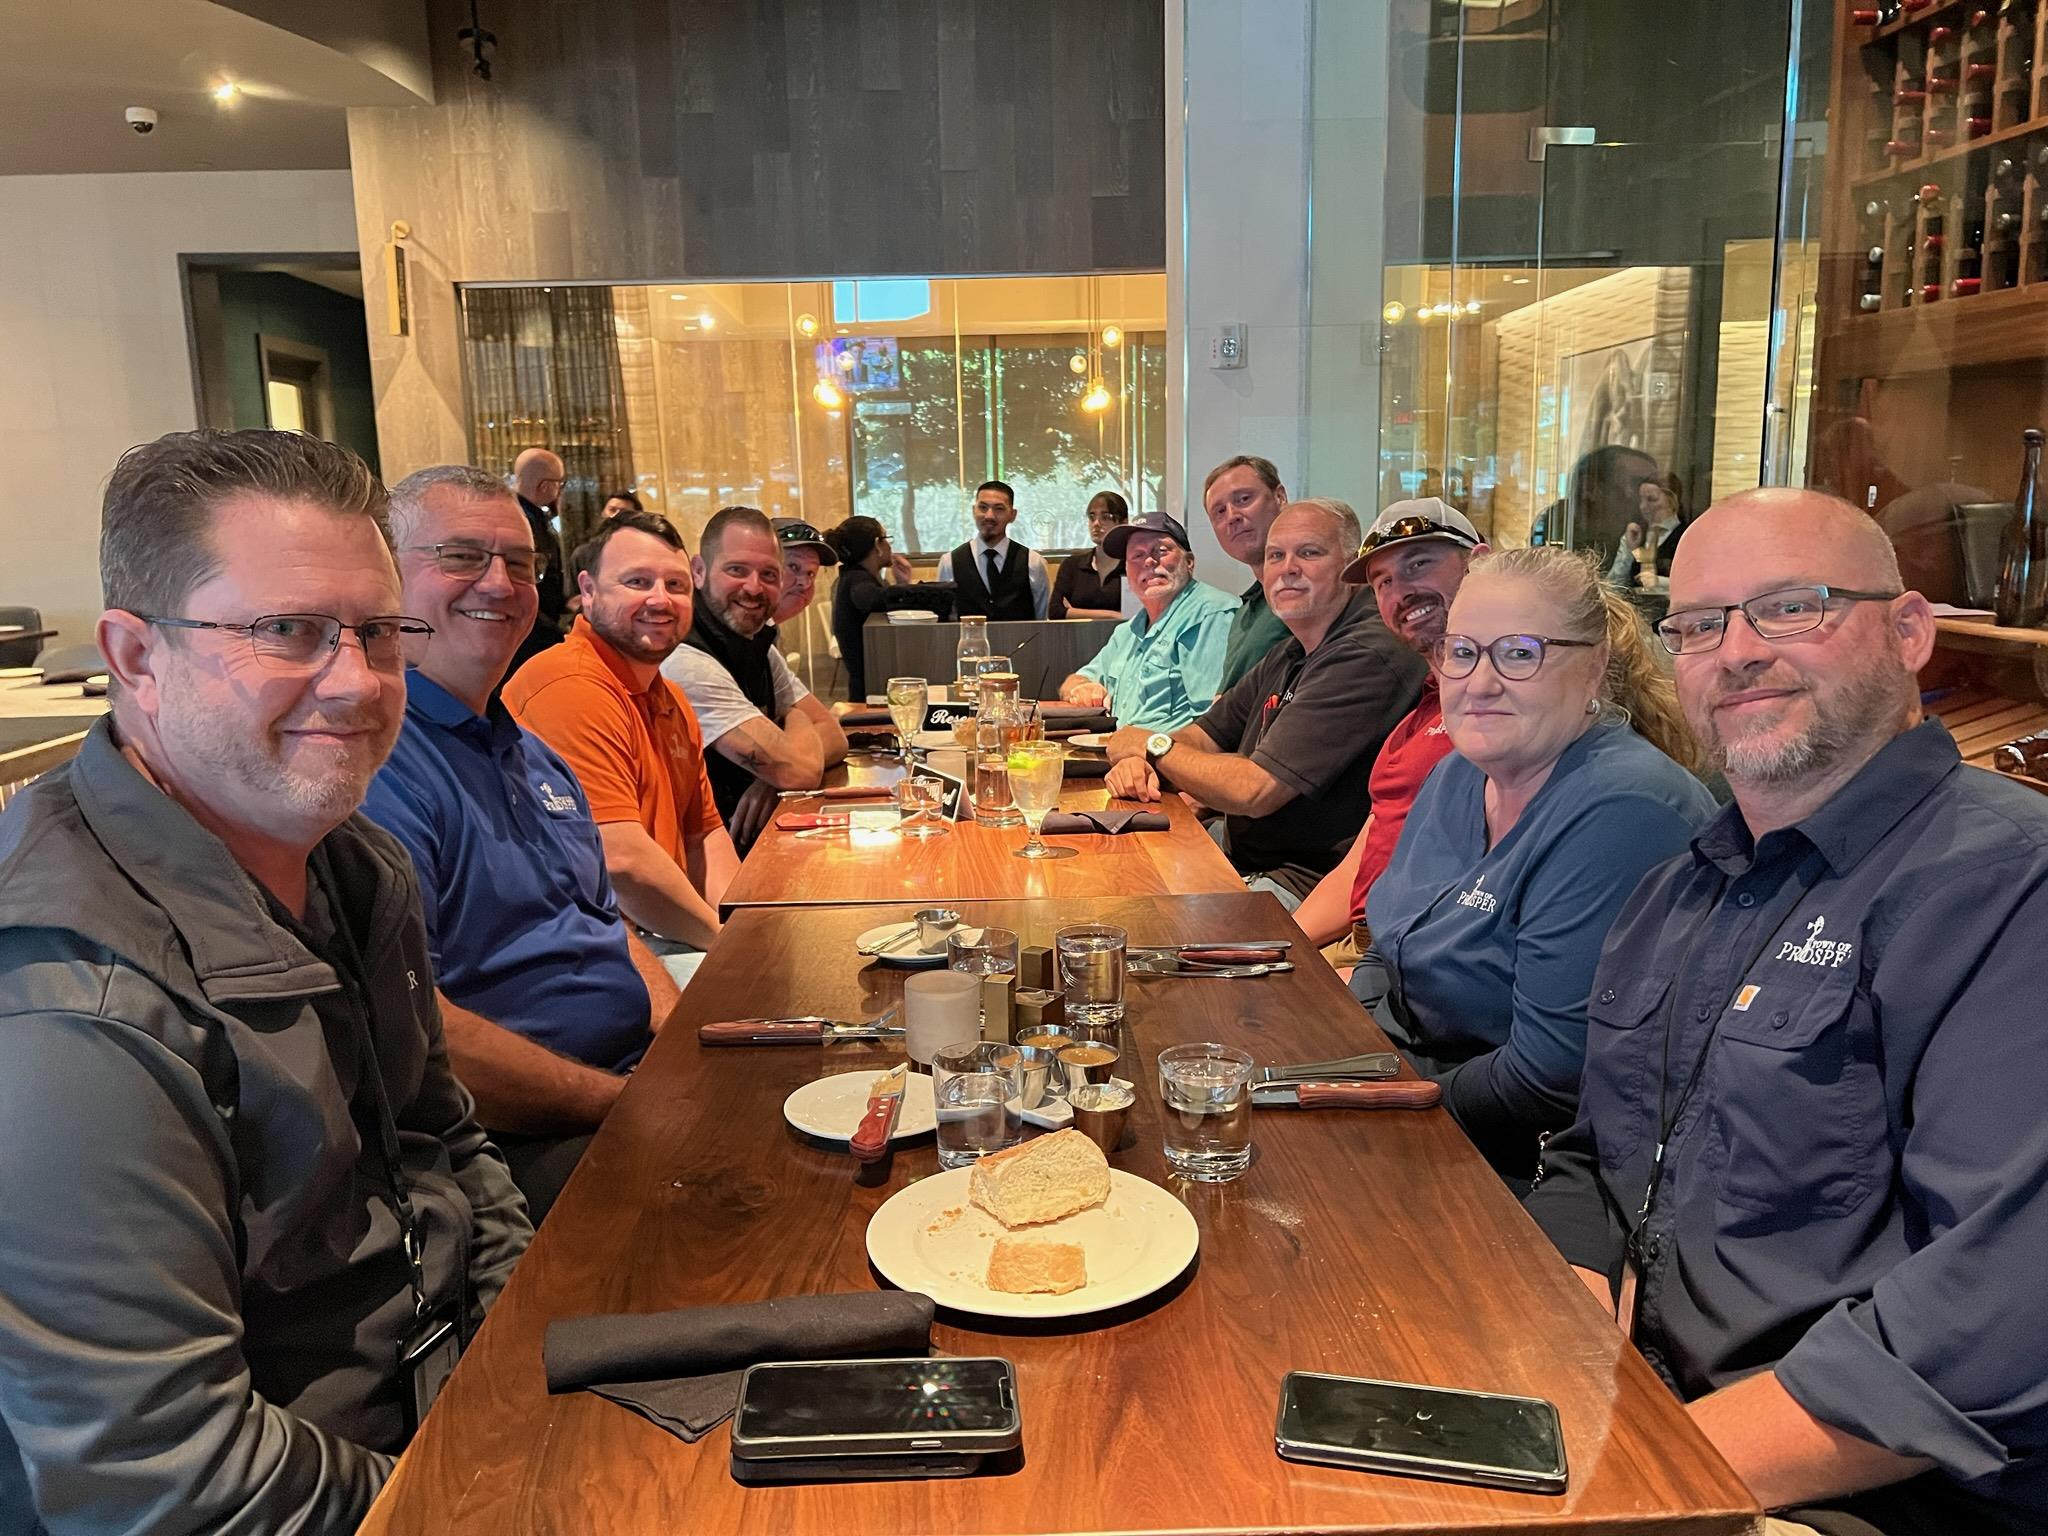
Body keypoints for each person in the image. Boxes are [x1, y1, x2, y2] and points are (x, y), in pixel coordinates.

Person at [0, 428, 530, 1533]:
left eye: (378, 633)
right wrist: (475, 1503)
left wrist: (528, 1353)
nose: (355, 683)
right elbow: (163, 1479)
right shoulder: (71, 1010)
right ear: (135, 655)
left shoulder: (351, 864)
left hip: (456, 1412)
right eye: (286, 632)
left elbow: (444, 1147)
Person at [1529, 488, 2048, 1533]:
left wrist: (1629, 1475)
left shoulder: (2007, 885)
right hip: (1647, 1419)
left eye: (1790, 608)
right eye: (1698, 625)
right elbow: (1598, 1155)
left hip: (1869, 1491)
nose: (1737, 652)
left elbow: (1989, 1329)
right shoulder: (1680, 885)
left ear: (1906, 633)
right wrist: (1570, 1336)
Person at [364, 465, 680, 1221]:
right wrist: (628, 1103)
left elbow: (607, 922)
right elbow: (426, 1034)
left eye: (519, 564)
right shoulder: (377, 763)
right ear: (383, 579)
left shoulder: (532, 754)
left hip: (626, 1084)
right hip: (515, 1143)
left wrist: (676, 1036)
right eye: (463, 557)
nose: (500, 585)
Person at [1350, 547, 1714, 1183]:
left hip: (1515, 1159)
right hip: (1404, 1086)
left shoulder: (1624, 809)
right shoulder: (1458, 774)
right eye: (1462, 651)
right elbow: (1389, 943)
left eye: (1519, 653)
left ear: (1594, 667)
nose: (1480, 682)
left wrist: (1387, 1106)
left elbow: (1545, 1078)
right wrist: (1352, 1048)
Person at [1104, 500, 1427, 903]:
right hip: (1241, 854)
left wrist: (1150, 746)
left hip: (1303, 882)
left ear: (1351, 568)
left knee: (1132, 924)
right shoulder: (1294, 648)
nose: (1287, 568)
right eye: (1276, 555)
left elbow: (1253, 792)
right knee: (1108, 886)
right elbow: (1206, 734)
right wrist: (1148, 755)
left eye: (1309, 553)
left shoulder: (1367, 651)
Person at [502, 512, 736, 980]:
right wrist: (727, 942)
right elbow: (623, 863)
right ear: (588, 591)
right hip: (588, 957)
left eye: (675, 584)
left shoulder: (669, 699)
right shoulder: (570, 684)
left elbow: (703, 836)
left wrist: (746, 926)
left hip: (658, 938)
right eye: (637, 581)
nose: (660, 599)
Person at [1290, 498, 1484, 952]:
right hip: (1358, 945)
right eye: (1383, 582)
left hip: (1410, 959)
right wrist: (1277, 948)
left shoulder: (1500, 711)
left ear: (1481, 564)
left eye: (1419, 563)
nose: (1401, 592)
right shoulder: (1418, 716)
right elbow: (1362, 861)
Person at [662, 505, 849, 849]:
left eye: (768, 574)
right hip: (701, 858)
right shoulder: (686, 659)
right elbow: (800, 771)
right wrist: (792, 725)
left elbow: (835, 737)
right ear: (698, 572)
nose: (753, 587)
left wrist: (770, 779)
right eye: (737, 570)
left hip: (754, 841)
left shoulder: (758, 644)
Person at [1055, 510, 1238, 732]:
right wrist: (1081, 688)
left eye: (1161, 551)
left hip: (1163, 760)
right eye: (1137, 556)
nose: (1149, 562)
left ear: (1189, 562)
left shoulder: (1211, 614)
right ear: (1128, 572)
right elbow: (1073, 680)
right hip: (1117, 750)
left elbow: (1213, 722)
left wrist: (1149, 752)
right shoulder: (1126, 632)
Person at [825, 515, 953, 701]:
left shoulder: (855, 577)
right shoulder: (858, 580)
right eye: (887, 539)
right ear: (877, 545)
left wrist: (903, 583)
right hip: (869, 693)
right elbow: (871, 600)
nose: (890, 546)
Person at [1202, 454, 1295, 691]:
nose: (1232, 516)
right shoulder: (1243, 614)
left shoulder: (1304, 592)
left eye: (1244, 499)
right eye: (1219, 512)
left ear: (1280, 497)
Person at [934, 479, 1050, 620]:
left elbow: (1042, 619)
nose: (989, 516)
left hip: (1020, 641)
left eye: (999, 509)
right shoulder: (949, 562)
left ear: (1012, 515)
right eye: (983, 507)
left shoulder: (1034, 563)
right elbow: (945, 621)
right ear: (973, 511)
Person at [510, 446, 569, 670]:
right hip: (532, 635)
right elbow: (527, 584)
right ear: (544, 485)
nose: (559, 490)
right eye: (559, 483)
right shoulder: (522, 523)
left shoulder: (531, 516)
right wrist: (556, 633)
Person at [1050, 489, 1129, 619]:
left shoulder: (1134, 565)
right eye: (1092, 517)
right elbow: (1056, 612)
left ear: (1123, 523)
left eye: (1105, 517)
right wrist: (1113, 615)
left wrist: (1074, 612)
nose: (1096, 524)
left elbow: (1139, 616)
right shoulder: (1072, 565)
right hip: (1078, 637)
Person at [1606, 471, 1688, 590]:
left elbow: (1693, 585)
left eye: (1652, 499)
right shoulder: (1634, 534)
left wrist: (1660, 581)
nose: (1642, 507)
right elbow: (1612, 585)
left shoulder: (1686, 536)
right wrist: (1629, 550)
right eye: (1641, 500)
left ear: (1672, 501)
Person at [771, 516, 837, 625]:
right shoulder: (738, 636)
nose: (805, 583)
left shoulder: (766, 633)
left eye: (811, 573)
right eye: (793, 567)